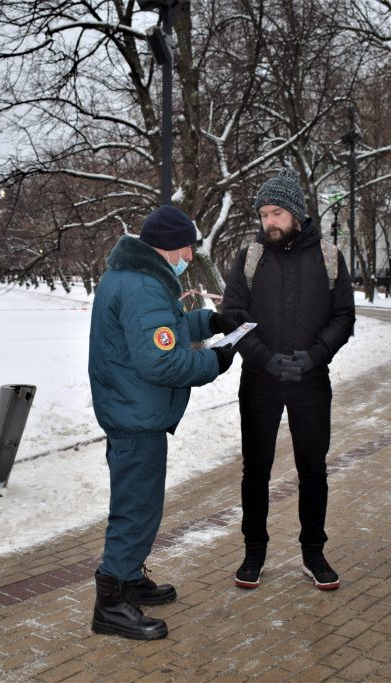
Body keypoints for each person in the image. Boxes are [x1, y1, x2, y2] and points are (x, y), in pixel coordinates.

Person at [88, 205, 243, 640]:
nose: (190, 256)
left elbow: (164, 331)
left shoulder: (135, 277)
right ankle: (112, 603)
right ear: (168, 245)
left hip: (131, 408)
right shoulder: (143, 287)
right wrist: (215, 359)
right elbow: (162, 361)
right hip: (136, 415)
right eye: (187, 247)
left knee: (139, 504)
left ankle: (129, 577)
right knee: (136, 510)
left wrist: (210, 320)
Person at [221, 168, 355, 590]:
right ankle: (253, 551)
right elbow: (232, 320)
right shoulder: (249, 258)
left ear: (296, 212)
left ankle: (313, 553)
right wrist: (265, 359)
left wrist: (314, 357)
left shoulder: (330, 257)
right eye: (263, 214)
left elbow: (343, 316)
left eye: (276, 212)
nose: (269, 222)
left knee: (313, 470)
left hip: (311, 382)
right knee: (255, 470)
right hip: (260, 381)